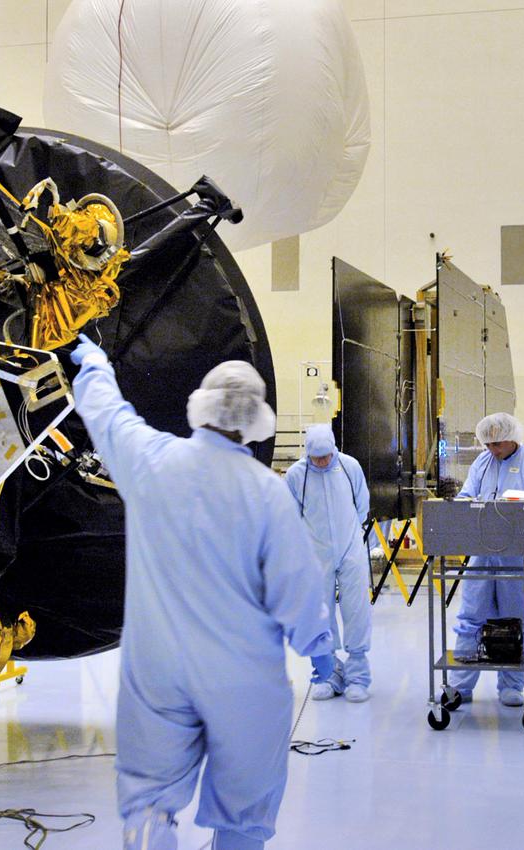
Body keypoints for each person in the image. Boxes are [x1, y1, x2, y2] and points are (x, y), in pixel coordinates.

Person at [70, 336, 334, 850]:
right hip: (243, 675)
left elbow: (109, 416)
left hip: (158, 669)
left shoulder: (152, 460)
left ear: (201, 406)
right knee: (244, 810)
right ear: (256, 421)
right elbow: (296, 584)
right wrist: (317, 643)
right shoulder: (266, 492)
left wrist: (95, 367)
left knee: (150, 801)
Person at [451, 412, 524, 707]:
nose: (492, 450)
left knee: (516, 619)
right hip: (482, 552)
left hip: (518, 553)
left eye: (497, 444)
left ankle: (512, 684)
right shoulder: (482, 462)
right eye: (487, 444)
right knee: (471, 615)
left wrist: (518, 514)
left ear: (512, 438)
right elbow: (467, 495)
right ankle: (460, 685)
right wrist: (462, 506)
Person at [284, 424, 374, 703]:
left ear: (334, 450)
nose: (322, 462)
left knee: (356, 609)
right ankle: (327, 674)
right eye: (316, 458)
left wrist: (351, 536)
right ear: (307, 454)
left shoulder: (349, 466)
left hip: (350, 549)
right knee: (320, 611)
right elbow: (291, 514)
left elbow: (361, 505)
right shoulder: (296, 475)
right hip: (315, 553)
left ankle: (358, 676)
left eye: (326, 457)